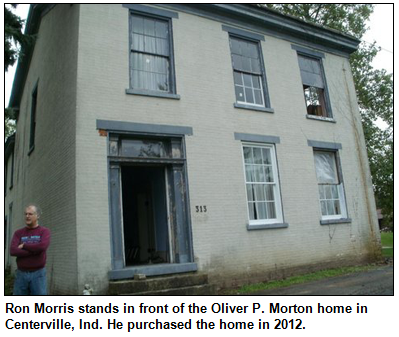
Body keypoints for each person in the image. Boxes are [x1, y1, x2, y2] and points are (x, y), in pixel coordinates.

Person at [10, 204, 51, 295]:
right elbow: (13, 251)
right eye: (26, 214)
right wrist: (35, 251)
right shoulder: (18, 233)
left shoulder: (44, 231)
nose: (27, 216)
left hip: (38, 274)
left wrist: (24, 246)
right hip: (21, 274)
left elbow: (42, 247)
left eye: (30, 214)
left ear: (38, 216)